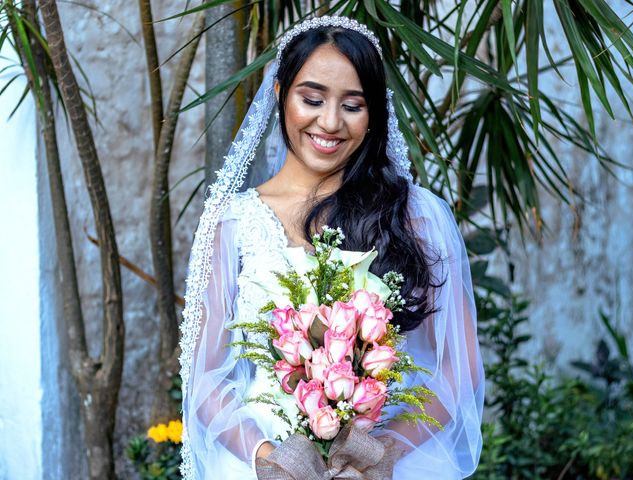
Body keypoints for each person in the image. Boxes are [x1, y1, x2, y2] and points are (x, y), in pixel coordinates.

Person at [179, 16, 484, 480]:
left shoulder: (414, 216)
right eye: (313, 99)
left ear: (374, 114)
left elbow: (459, 372)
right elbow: (205, 380)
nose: (329, 122)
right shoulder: (233, 223)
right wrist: (270, 460)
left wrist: (375, 454)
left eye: (353, 105)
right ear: (281, 94)